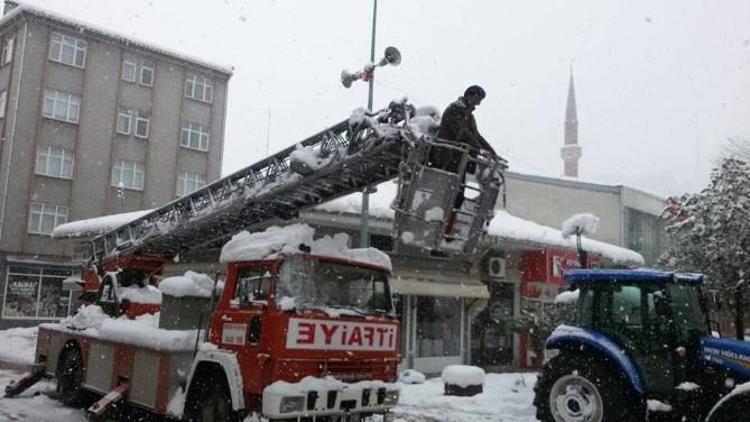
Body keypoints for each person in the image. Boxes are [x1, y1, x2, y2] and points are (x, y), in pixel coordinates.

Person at [432, 85, 497, 172]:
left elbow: (476, 136)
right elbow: (462, 132)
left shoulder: (469, 116)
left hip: (458, 159)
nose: (478, 103)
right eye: (478, 99)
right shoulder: (454, 109)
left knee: (457, 184)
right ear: (469, 96)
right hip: (445, 156)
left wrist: (493, 153)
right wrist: (480, 150)